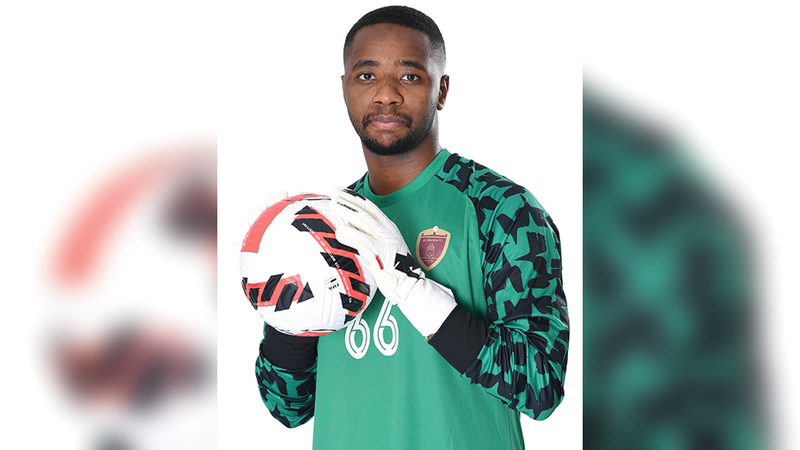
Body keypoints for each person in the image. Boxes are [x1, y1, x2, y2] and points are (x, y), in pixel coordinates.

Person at [254, 6, 569, 449]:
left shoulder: (501, 208)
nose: (386, 94)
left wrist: (424, 299)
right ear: (344, 88)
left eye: (409, 76)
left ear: (442, 90)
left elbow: (541, 386)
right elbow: (288, 407)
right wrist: (280, 294)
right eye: (366, 76)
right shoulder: (325, 224)